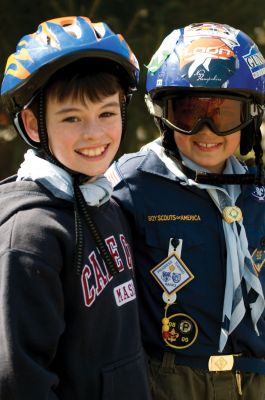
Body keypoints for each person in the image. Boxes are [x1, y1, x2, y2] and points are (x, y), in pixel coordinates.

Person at [106, 22, 265, 399]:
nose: (206, 131)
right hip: (169, 379)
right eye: (189, 113)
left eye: (223, 115)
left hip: (254, 379)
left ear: (250, 117)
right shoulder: (130, 184)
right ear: (163, 116)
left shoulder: (258, 190)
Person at [0, 16, 151, 400]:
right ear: (34, 125)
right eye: (71, 118)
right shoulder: (30, 234)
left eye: (106, 113)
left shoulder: (105, 200)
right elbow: (20, 380)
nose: (95, 134)